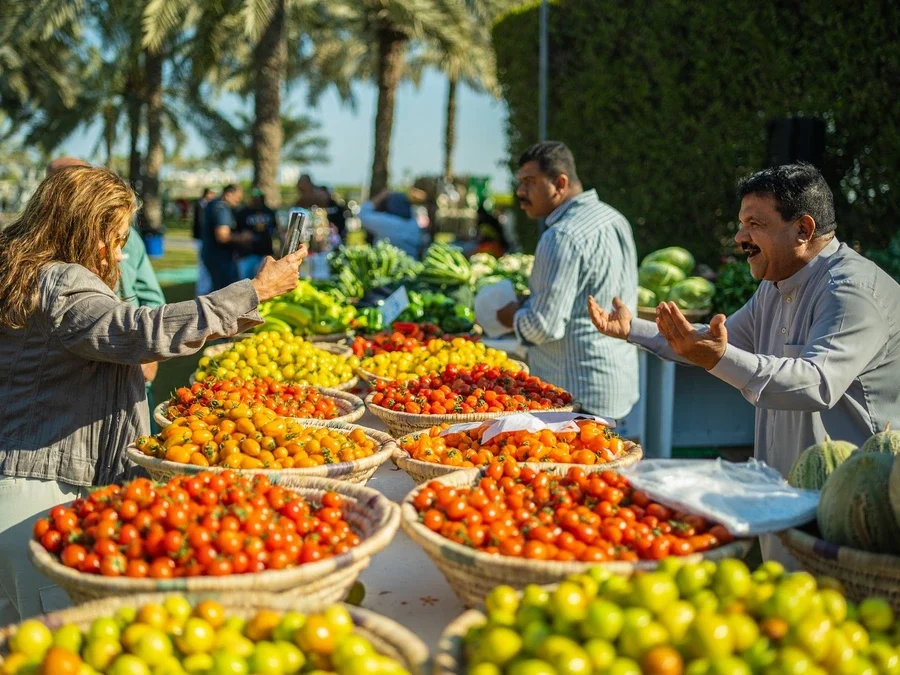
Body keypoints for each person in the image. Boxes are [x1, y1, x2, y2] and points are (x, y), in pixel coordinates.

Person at [0, 166, 306, 622]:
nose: (120, 254)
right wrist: (255, 291)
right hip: (41, 491)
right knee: (58, 635)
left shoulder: (24, 270)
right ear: (88, 227)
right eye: (117, 238)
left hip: (19, 479)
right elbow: (138, 330)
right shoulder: (63, 282)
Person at [588, 162, 900, 564]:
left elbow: (816, 384)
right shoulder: (776, 284)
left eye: (754, 224)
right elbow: (715, 343)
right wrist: (636, 330)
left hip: (852, 503)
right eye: (741, 223)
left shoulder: (852, 292)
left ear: (803, 230)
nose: (740, 238)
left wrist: (718, 357)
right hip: (785, 493)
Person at [496, 141, 639, 422]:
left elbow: (542, 326)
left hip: (575, 397)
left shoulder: (561, 236)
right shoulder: (614, 218)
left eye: (529, 182)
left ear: (560, 183)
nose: (520, 192)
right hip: (614, 384)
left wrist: (510, 315)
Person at [47, 158, 167, 425]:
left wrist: (149, 354)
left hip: (132, 356)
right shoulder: (51, 269)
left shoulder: (127, 237)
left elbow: (151, 298)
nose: (117, 255)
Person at [201, 184, 251, 291]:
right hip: (220, 257)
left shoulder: (212, 204)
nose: (238, 202)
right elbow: (222, 236)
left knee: (217, 289)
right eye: (237, 198)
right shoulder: (221, 208)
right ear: (228, 195)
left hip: (211, 254)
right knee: (227, 291)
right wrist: (243, 238)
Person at [358, 189, 424, 259]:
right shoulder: (413, 224)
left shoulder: (387, 222)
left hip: (390, 267)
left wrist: (382, 196)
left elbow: (363, 214)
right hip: (412, 265)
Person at [236, 187, 278, 279]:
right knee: (245, 282)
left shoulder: (269, 212)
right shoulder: (243, 213)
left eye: (259, 197)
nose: (256, 200)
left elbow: (275, 231)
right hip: (247, 254)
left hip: (265, 253)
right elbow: (237, 231)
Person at [193, 187, 216, 295]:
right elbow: (199, 223)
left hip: (206, 240)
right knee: (202, 265)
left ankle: (206, 288)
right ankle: (201, 290)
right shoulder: (200, 205)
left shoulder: (210, 206)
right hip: (200, 239)